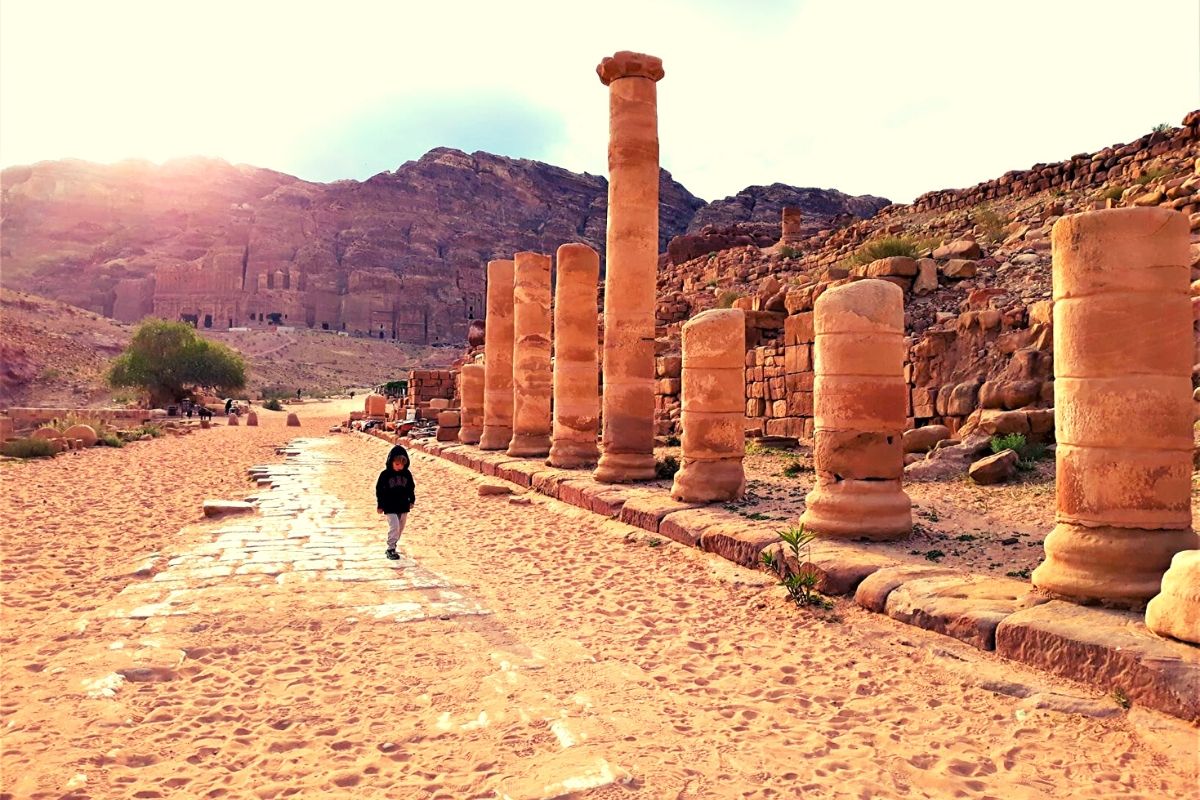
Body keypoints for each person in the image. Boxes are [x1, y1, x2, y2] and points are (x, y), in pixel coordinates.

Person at [375, 444, 415, 560]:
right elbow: (379, 490)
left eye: (402, 464)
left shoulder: (407, 474)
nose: (400, 467)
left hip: (403, 505)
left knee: (400, 528)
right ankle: (390, 548)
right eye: (397, 464)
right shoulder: (385, 475)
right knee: (395, 526)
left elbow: (411, 488)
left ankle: (394, 544)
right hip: (389, 506)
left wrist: (412, 500)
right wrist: (380, 505)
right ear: (391, 462)